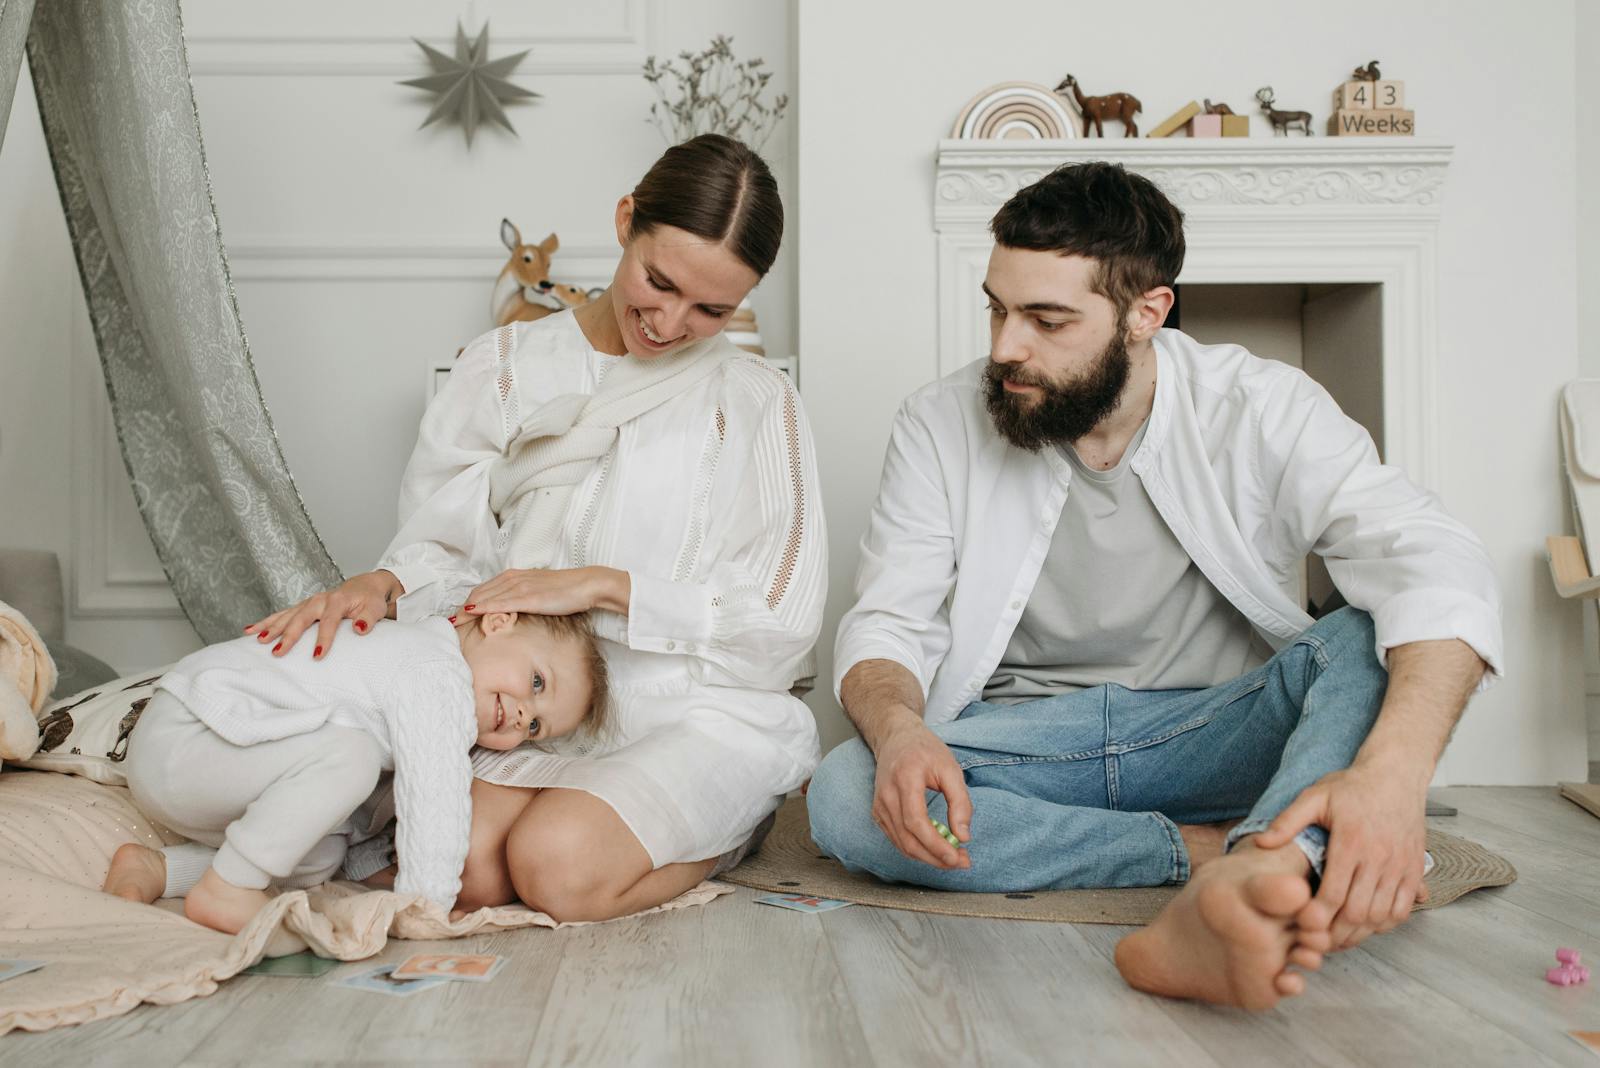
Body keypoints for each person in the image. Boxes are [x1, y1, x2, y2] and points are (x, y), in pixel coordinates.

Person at [806, 161, 1501, 1010]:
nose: (1003, 347)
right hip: (1028, 744)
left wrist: (1390, 783)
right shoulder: (937, 422)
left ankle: (1254, 874)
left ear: (1147, 313)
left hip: (1212, 732)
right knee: (846, 793)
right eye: (997, 307)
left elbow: (1431, 558)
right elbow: (887, 624)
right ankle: (1229, 861)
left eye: (1046, 319)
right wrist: (904, 730)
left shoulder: (1261, 405)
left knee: (1363, 636)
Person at [244, 133, 826, 923]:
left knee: (555, 868)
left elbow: (784, 625)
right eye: (659, 282)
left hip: (691, 707)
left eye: (712, 309)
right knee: (466, 875)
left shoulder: (758, 402)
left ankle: (728, 828)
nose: (671, 320)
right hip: (534, 711)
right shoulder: (503, 368)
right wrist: (385, 583)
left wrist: (603, 587)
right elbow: (445, 555)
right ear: (625, 221)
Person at [101, 610, 609, 937]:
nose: (524, 715)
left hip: (208, 765)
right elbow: (435, 801)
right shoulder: (435, 670)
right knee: (353, 757)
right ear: (498, 621)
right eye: (536, 681)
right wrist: (425, 908)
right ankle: (229, 887)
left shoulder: (425, 670)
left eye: (537, 726)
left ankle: (164, 869)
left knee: (323, 850)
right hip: (191, 735)